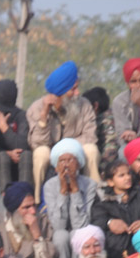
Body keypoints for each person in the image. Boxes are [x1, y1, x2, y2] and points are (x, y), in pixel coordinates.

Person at [26, 61, 99, 197]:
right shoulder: (36, 108)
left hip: (77, 152)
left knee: (91, 150)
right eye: (73, 89)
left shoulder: (84, 105)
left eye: (77, 87)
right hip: (51, 153)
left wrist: (67, 149)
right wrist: (44, 116)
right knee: (41, 153)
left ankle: (96, 198)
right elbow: (37, 143)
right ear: (59, 94)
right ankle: (37, 201)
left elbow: (90, 136)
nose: (78, 93)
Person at [43, 139, 97, 258]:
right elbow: (58, 225)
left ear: (78, 164)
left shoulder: (90, 184)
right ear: (56, 167)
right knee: (60, 236)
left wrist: (75, 190)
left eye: (70, 160)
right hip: (59, 232)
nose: (66, 165)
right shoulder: (49, 185)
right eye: (62, 161)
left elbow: (80, 225)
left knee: (77, 234)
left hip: (82, 229)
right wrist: (63, 191)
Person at [91, 158, 140, 258]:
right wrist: (109, 222)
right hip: (113, 249)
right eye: (121, 175)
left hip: (139, 247)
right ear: (110, 182)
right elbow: (96, 221)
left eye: (128, 173)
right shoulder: (103, 199)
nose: (127, 177)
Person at [0, 181, 56, 258]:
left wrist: (37, 234)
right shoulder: (0, 229)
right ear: (14, 210)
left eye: (34, 205)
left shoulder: (42, 223)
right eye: (26, 207)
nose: (33, 211)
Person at [0, 79, 31, 190]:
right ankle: (5, 194)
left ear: (1, 98)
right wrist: (8, 153)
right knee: (3, 156)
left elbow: (22, 145)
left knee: (26, 155)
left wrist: (5, 128)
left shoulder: (21, 116)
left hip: (20, 162)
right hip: (0, 161)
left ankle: (24, 193)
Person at [111, 59, 140, 146]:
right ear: (127, 83)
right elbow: (122, 134)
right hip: (133, 145)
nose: (138, 86)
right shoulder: (120, 101)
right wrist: (129, 135)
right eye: (133, 81)